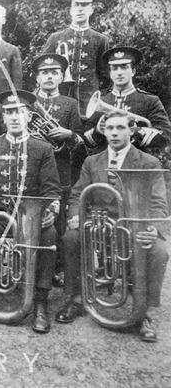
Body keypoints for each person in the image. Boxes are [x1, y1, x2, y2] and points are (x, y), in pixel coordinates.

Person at [55, 112, 168, 342]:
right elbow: (77, 196)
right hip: (99, 226)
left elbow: (159, 203)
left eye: (120, 128)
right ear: (104, 132)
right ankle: (77, 298)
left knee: (158, 251)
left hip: (133, 227)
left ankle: (142, 310)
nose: (114, 133)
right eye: (109, 128)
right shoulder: (92, 161)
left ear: (131, 131)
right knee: (70, 238)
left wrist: (153, 228)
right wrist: (75, 216)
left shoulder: (149, 162)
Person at [0, 90, 61, 332]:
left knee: (49, 236)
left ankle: (39, 303)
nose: (14, 117)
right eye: (9, 112)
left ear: (28, 116)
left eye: (20, 112)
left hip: (30, 220)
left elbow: (51, 190)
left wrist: (51, 210)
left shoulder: (43, 148)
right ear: (3, 118)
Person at [31, 53, 85, 286]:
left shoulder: (70, 104)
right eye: (44, 73)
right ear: (37, 77)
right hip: (31, 171)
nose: (49, 77)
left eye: (54, 73)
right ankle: (31, 265)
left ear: (61, 76)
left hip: (60, 170)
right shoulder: (28, 102)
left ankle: (56, 268)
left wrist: (69, 134)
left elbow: (81, 142)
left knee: (59, 223)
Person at [84, 47, 171, 154]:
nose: (119, 73)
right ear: (110, 73)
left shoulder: (150, 101)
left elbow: (166, 135)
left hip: (137, 164)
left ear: (133, 71)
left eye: (124, 67)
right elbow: (86, 140)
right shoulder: (101, 101)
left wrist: (134, 131)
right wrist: (98, 130)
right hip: (105, 164)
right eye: (115, 68)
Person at [41, 0, 110, 117]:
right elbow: (41, 71)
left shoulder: (101, 40)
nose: (80, 8)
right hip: (58, 103)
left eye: (84, 5)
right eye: (76, 4)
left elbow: (105, 78)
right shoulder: (56, 38)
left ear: (92, 10)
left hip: (88, 107)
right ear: (70, 10)